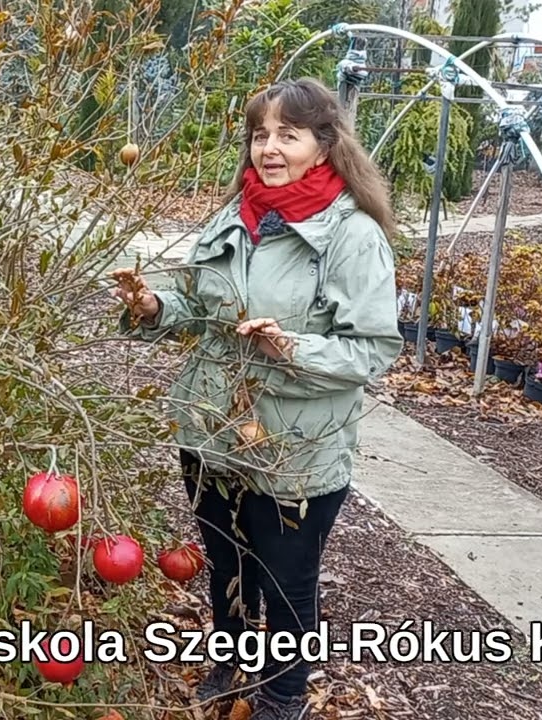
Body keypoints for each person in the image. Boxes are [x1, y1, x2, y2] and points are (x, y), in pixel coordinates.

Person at [111, 77, 403, 719]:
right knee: (226, 563)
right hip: (212, 428)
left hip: (295, 446)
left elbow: (374, 349)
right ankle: (232, 661)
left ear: (323, 148)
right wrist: (154, 305)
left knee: (285, 577)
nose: (269, 148)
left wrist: (291, 347)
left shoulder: (352, 236)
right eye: (260, 134)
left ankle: (283, 691)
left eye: (288, 135)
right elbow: (196, 305)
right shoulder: (233, 217)